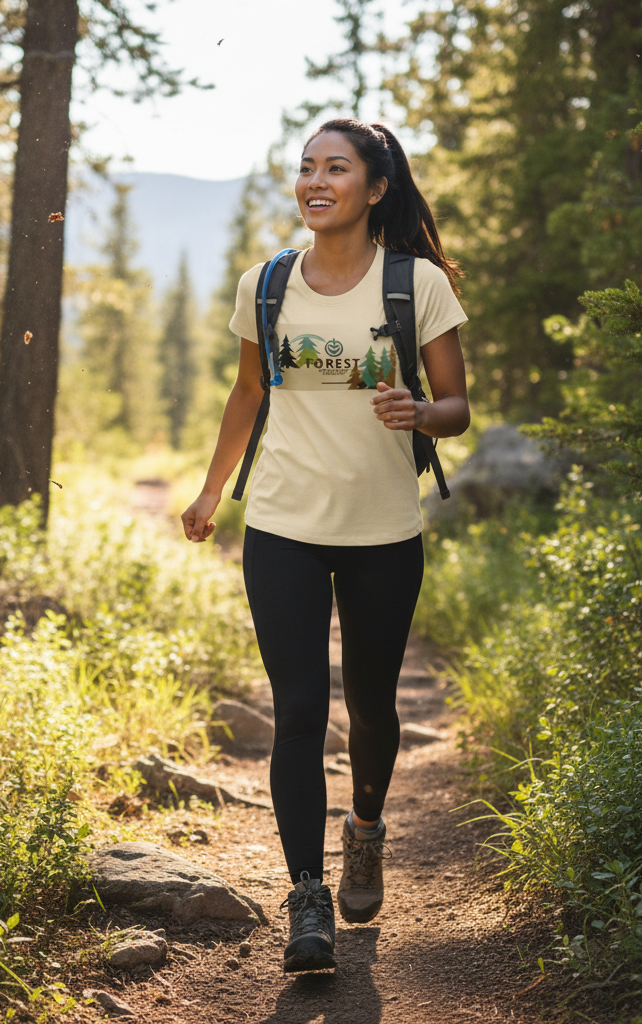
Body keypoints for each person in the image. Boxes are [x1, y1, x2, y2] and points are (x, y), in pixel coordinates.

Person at [181, 118, 469, 972]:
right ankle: (308, 900)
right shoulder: (266, 284)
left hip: (385, 529)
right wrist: (209, 489)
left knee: (373, 709)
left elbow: (456, 405)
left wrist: (420, 411)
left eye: (335, 167)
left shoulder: (415, 285)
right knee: (300, 710)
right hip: (281, 526)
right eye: (306, 166)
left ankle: (367, 828)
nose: (315, 179)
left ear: (375, 188)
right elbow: (245, 393)